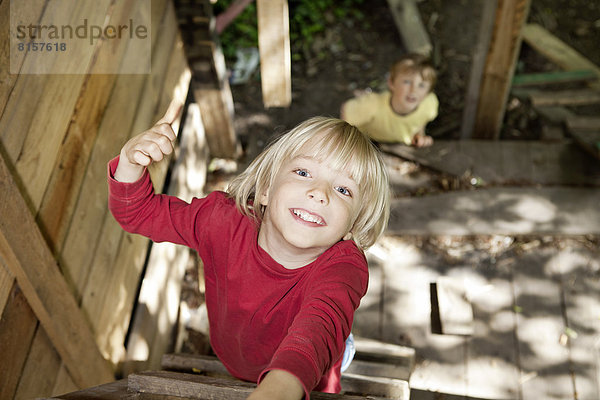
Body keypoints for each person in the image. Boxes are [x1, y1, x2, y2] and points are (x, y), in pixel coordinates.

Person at [107, 101, 391, 400]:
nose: (319, 194)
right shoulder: (222, 221)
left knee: (330, 352)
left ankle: (342, 348)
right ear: (266, 189)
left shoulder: (344, 267)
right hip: (236, 354)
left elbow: (317, 329)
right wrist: (130, 162)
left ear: (352, 226)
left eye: (343, 190)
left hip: (307, 378)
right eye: (304, 172)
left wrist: (280, 388)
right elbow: (137, 213)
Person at [340, 53, 438, 147]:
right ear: (391, 82)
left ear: (428, 92)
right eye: (407, 82)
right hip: (366, 140)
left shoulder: (429, 105)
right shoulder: (372, 105)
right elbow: (345, 115)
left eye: (421, 85)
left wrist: (419, 135)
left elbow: (422, 121)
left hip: (394, 143)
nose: (413, 90)